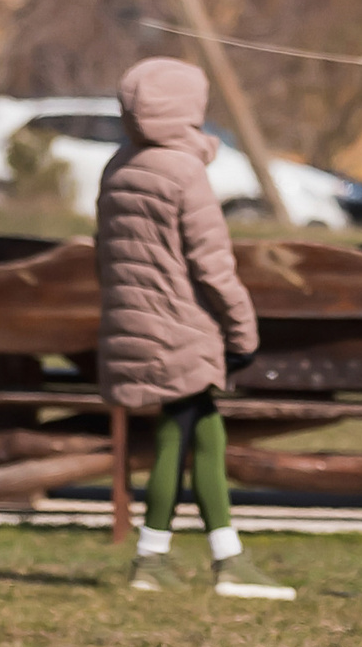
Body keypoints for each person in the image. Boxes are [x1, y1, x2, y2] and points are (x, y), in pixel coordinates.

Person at [96, 57, 293, 601]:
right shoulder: (184, 172)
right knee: (177, 432)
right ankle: (151, 556)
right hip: (181, 327)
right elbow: (213, 267)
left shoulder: (118, 166)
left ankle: (228, 558)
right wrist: (243, 333)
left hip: (132, 322)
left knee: (205, 431)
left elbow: (106, 255)